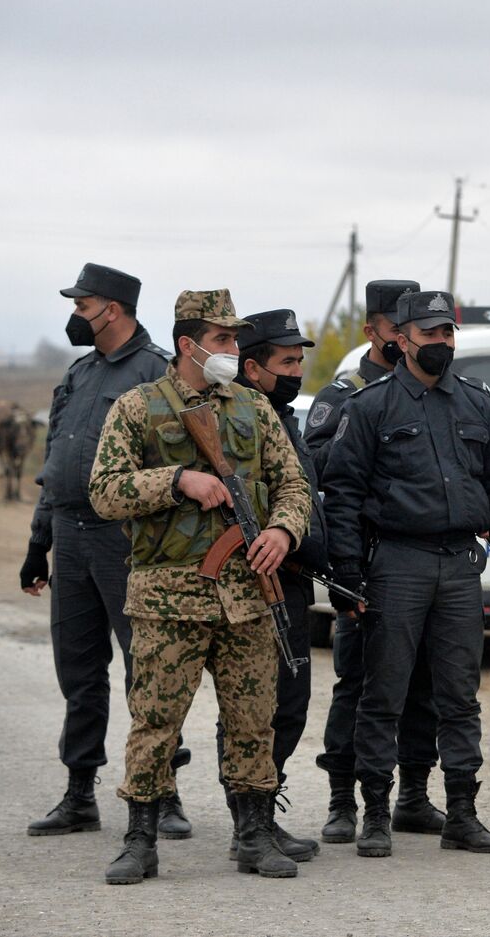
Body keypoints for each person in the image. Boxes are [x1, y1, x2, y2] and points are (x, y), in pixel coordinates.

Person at [89, 289, 311, 884]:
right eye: (223, 340)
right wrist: (177, 480)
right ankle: (140, 838)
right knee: (156, 719)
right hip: (168, 598)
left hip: (248, 594)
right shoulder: (138, 408)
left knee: (253, 719)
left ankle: (254, 833)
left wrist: (284, 533)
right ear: (189, 344)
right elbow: (105, 491)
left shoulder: (254, 409)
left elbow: (294, 484)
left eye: (236, 340)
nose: (234, 351)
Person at [321, 289, 490, 858]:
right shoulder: (370, 408)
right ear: (401, 341)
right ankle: (376, 815)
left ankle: (462, 813)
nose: (441, 344)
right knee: (382, 694)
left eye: (447, 334)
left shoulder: (476, 404)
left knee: (459, 696)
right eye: (429, 334)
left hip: (460, 565)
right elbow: (342, 496)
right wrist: (348, 576)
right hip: (396, 566)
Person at [21, 263, 191, 839]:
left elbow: (181, 467)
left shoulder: (159, 374)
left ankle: (163, 796)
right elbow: (55, 464)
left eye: (81, 304)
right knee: (78, 668)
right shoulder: (79, 374)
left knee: (152, 670)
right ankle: (79, 795)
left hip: (131, 542)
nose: (74, 314)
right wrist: (37, 541)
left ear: (111, 309)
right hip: (69, 536)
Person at [303, 280, 445, 846]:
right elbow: (317, 472)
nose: (409, 341)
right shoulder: (345, 396)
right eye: (397, 329)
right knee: (358, 684)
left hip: (418, 564)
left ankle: (413, 794)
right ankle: (343, 801)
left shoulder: (439, 389)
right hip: (363, 563)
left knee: (425, 684)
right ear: (375, 332)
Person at [205, 307, 327, 864]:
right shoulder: (234, 419)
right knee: (253, 708)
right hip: (251, 584)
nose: (297, 369)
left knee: (291, 704)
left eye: (300, 359)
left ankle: (261, 810)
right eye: (287, 361)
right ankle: (247, 823)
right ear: (252, 368)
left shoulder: (284, 417)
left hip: (294, 583)